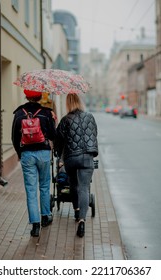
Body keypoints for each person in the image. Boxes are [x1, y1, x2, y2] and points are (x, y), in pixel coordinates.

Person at [11, 89, 56, 237]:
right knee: (44, 186)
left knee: (31, 190)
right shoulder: (46, 112)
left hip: (27, 154)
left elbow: (14, 137)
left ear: (26, 96)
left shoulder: (19, 113)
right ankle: (45, 217)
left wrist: (20, 153)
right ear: (39, 97)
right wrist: (52, 121)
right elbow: (53, 135)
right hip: (43, 153)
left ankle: (35, 225)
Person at [54, 93, 98, 237]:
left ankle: (77, 211)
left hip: (71, 158)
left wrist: (58, 154)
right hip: (87, 158)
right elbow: (94, 134)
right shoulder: (90, 117)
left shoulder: (65, 120)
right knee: (84, 188)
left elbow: (58, 140)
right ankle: (82, 220)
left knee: (73, 185)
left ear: (67, 103)